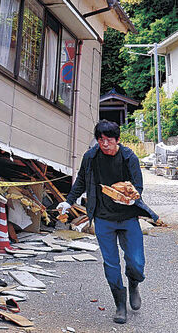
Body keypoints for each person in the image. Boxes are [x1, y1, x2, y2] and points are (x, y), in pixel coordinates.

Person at [57, 120, 159, 325]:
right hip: (103, 219)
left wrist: (126, 197)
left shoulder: (129, 157)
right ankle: (120, 305)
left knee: (136, 263)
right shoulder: (91, 157)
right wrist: (68, 202)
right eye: (101, 139)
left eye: (109, 140)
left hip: (128, 216)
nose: (104, 144)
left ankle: (134, 282)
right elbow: (81, 182)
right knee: (111, 264)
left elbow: (137, 187)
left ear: (117, 140)